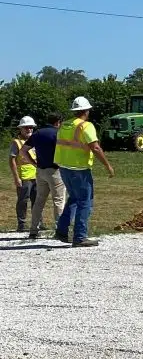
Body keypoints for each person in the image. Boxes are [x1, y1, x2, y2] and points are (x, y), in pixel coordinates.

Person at [54, 97, 115, 247]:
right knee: (84, 202)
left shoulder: (64, 125)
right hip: (79, 169)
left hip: (64, 167)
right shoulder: (86, 126)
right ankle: (80, 236)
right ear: (86, 111)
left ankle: (61, 230)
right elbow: (95, 147)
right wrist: (108, 166)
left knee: (74, 198)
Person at [20, 112, 68, 239]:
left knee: (39, 201)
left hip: (40, 171)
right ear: (58, 122)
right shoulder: (58, 134)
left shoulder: (38, 133)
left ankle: (33, 230)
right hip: (55, 170)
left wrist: (33, 162)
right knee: (58, 200)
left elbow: (23, 151)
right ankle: (60, 230)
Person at [9, 116, 38, 233]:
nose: (29, 130)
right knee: (23, 201)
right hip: (24, 176)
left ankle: (37, 223)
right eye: (26, 127)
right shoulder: (16, 142)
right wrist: (16, 178)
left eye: (31, 127)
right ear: (20, 129)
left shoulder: (34, 140)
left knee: (37, 200)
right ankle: (22, 224)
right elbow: (11, 160)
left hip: (37, 175)